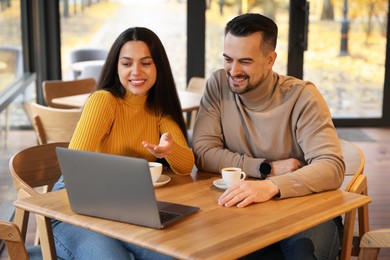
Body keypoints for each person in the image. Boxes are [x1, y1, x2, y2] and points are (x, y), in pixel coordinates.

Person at [192, 13, 345, 260]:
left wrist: (270, 187)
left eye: (245, 61)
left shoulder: (302, 97)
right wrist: (266, 169)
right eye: (228, 59)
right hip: (244, 210)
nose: (233, 70)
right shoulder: (218, 85)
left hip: (303, 210)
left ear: (270, 59)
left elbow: (332, 167)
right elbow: (203, 152)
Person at [52, 27, 194, 260]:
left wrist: (171, 150)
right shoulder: (104, 101)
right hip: (72, 205)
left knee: (172, 255)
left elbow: (186, 166)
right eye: (127, 63)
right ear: (116, 67)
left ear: (159, 66)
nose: (136, 72)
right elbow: (74, 169)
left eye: (146, 63)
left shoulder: (159, 110)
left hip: (128, 208)